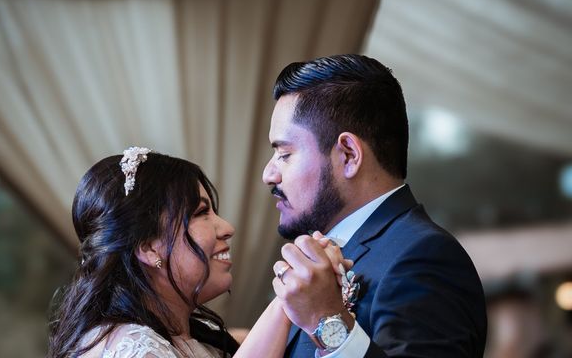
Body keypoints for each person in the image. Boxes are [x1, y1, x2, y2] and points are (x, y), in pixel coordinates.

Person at [262, 54, 488, 357]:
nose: (269, 174)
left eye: (284, 154)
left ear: (349, 155)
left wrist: (327, 323)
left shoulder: (423, 257)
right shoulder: (325, 258)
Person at [48, 147, 350, 358]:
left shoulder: (196, 337)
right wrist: (289, 292)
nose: (227, 227)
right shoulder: (132, 349)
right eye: (201, 213)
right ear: (148, 247)